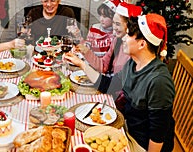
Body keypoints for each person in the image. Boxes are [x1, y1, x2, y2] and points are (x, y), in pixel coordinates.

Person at [68, 13, 175, 151]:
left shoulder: (159, 81)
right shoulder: (132, 64)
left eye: (129, 35)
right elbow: (108, 85)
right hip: (128, 128)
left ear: (142, 43)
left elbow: (158, 134)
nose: (123, 38)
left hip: (140, 143)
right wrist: (82, 65)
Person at [70, 2, 142, 76]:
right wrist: (85, 51)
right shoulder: (117, 40)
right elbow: (103, 66)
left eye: (117, 24)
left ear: (130, 26)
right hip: (109, 82)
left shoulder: (135, 49)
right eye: (113, 23)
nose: (114, 28)